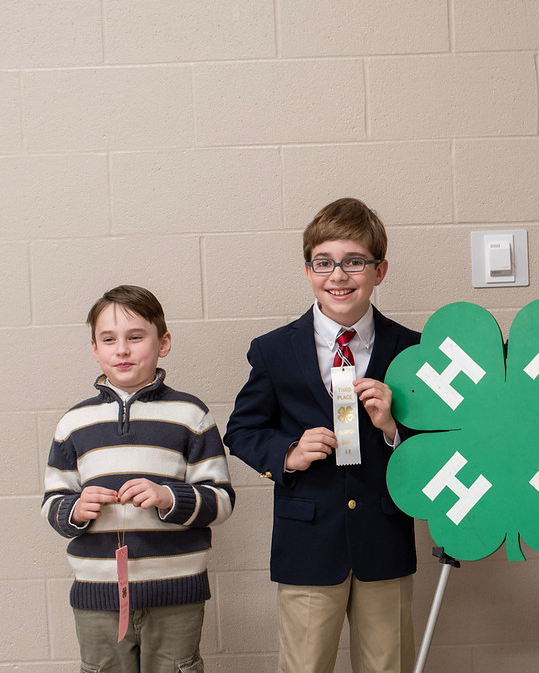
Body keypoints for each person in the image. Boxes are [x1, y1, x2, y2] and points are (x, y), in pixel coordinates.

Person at [224, 197, 419, 673]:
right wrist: (288, 453)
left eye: (354, 262)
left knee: (387, 665)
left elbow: (439, 444)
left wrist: (393, 430)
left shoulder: (412, 349)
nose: (339, 275)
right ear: (308, 270)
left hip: (384, 538)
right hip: (307, 544)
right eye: (324, 263)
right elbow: (242, 429)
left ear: (380, 270)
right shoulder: (274, 350)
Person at [41, 285, 235, 672]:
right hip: (97, 596)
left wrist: (168, 497)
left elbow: (222, 500)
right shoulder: (73, 423)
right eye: (109, 339)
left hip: (176, 593)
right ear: (95, 349)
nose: (122, 350)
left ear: (163, 343)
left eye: (135, 337)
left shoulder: (190, 415)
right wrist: (76, 508)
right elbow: (52, 501)